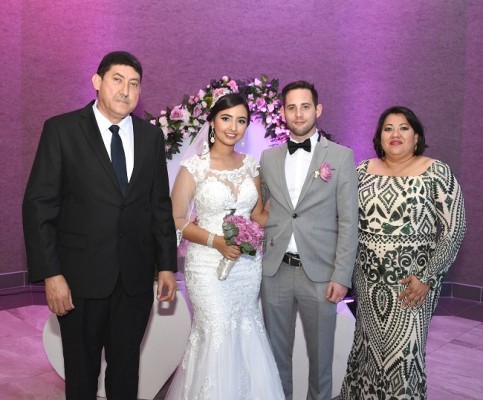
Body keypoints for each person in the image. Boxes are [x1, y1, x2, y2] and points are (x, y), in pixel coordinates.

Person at [22, 51, 178, 400]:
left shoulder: (151, 138)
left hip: (134, 279)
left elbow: (159, 207)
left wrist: (166, 266)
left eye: (134, 84)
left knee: (126, 370)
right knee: (82, 373)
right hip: (78, 279)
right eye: (117, 80)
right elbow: (38, 206)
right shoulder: (61, 129)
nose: (125, 90)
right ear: (97, 82)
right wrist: (51, 274)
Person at [340, 106, 467, 399]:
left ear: (416, 136)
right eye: (388, 128)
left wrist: (428, 277)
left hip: (412, 286)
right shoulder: (361, 171)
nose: (395, 134)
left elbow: (454, 228)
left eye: (403, 128)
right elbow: (345, 223)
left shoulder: (437, 171)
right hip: (368, 283)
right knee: (366, 353)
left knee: (404, 359)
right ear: (379, 137)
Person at [166, 92, 285, 399]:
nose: (233, 127)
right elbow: (177, 219)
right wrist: (216, 241)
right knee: (216, 330)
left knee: (246, 327)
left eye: (241, 120)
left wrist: (288, 194)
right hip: (206, 266)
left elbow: (257, 214)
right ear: (212, 122)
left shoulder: (251, 166)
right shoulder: (193, 167)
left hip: (246, 267)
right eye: (226, 118)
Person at [259, 80, 359, 400]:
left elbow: (349, 221)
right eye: (291, 107)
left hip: (320, 274)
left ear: (318, 110)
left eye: (305, 106)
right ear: (283, 113)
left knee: (320, 360)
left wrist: (342, 275)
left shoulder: (341, 157)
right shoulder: (268, 158)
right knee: (276, 358)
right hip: (275, 272)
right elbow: (259, 211)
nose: (298, 114)